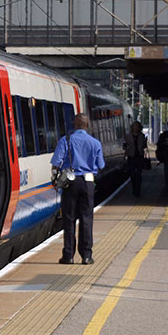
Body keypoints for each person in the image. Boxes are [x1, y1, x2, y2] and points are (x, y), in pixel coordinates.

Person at [50, 113, 105, 265]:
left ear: (75, 124)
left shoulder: (66, 140)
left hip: (70, 182)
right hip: (88, 183)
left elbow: (56, 163)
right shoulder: (95, 143)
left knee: (69, 219)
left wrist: (55, 179)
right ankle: (86, 256)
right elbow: (101, 166)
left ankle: (68, 255)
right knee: (87, 218)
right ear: (87, 125)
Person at [123, 121, 147, 197]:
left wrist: (143, 144)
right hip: (131, 156)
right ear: (132, 127)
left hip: (139, 157)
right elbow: (124, 145)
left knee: (139, 174)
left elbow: (144, 146)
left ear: (140, 128)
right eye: (134, 126)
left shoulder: (142, 136)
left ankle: (138, 191)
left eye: (137, 126)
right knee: (132, 174)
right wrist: (126, 151)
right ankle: (134, 188)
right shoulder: (127, 136)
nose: (136, 128)